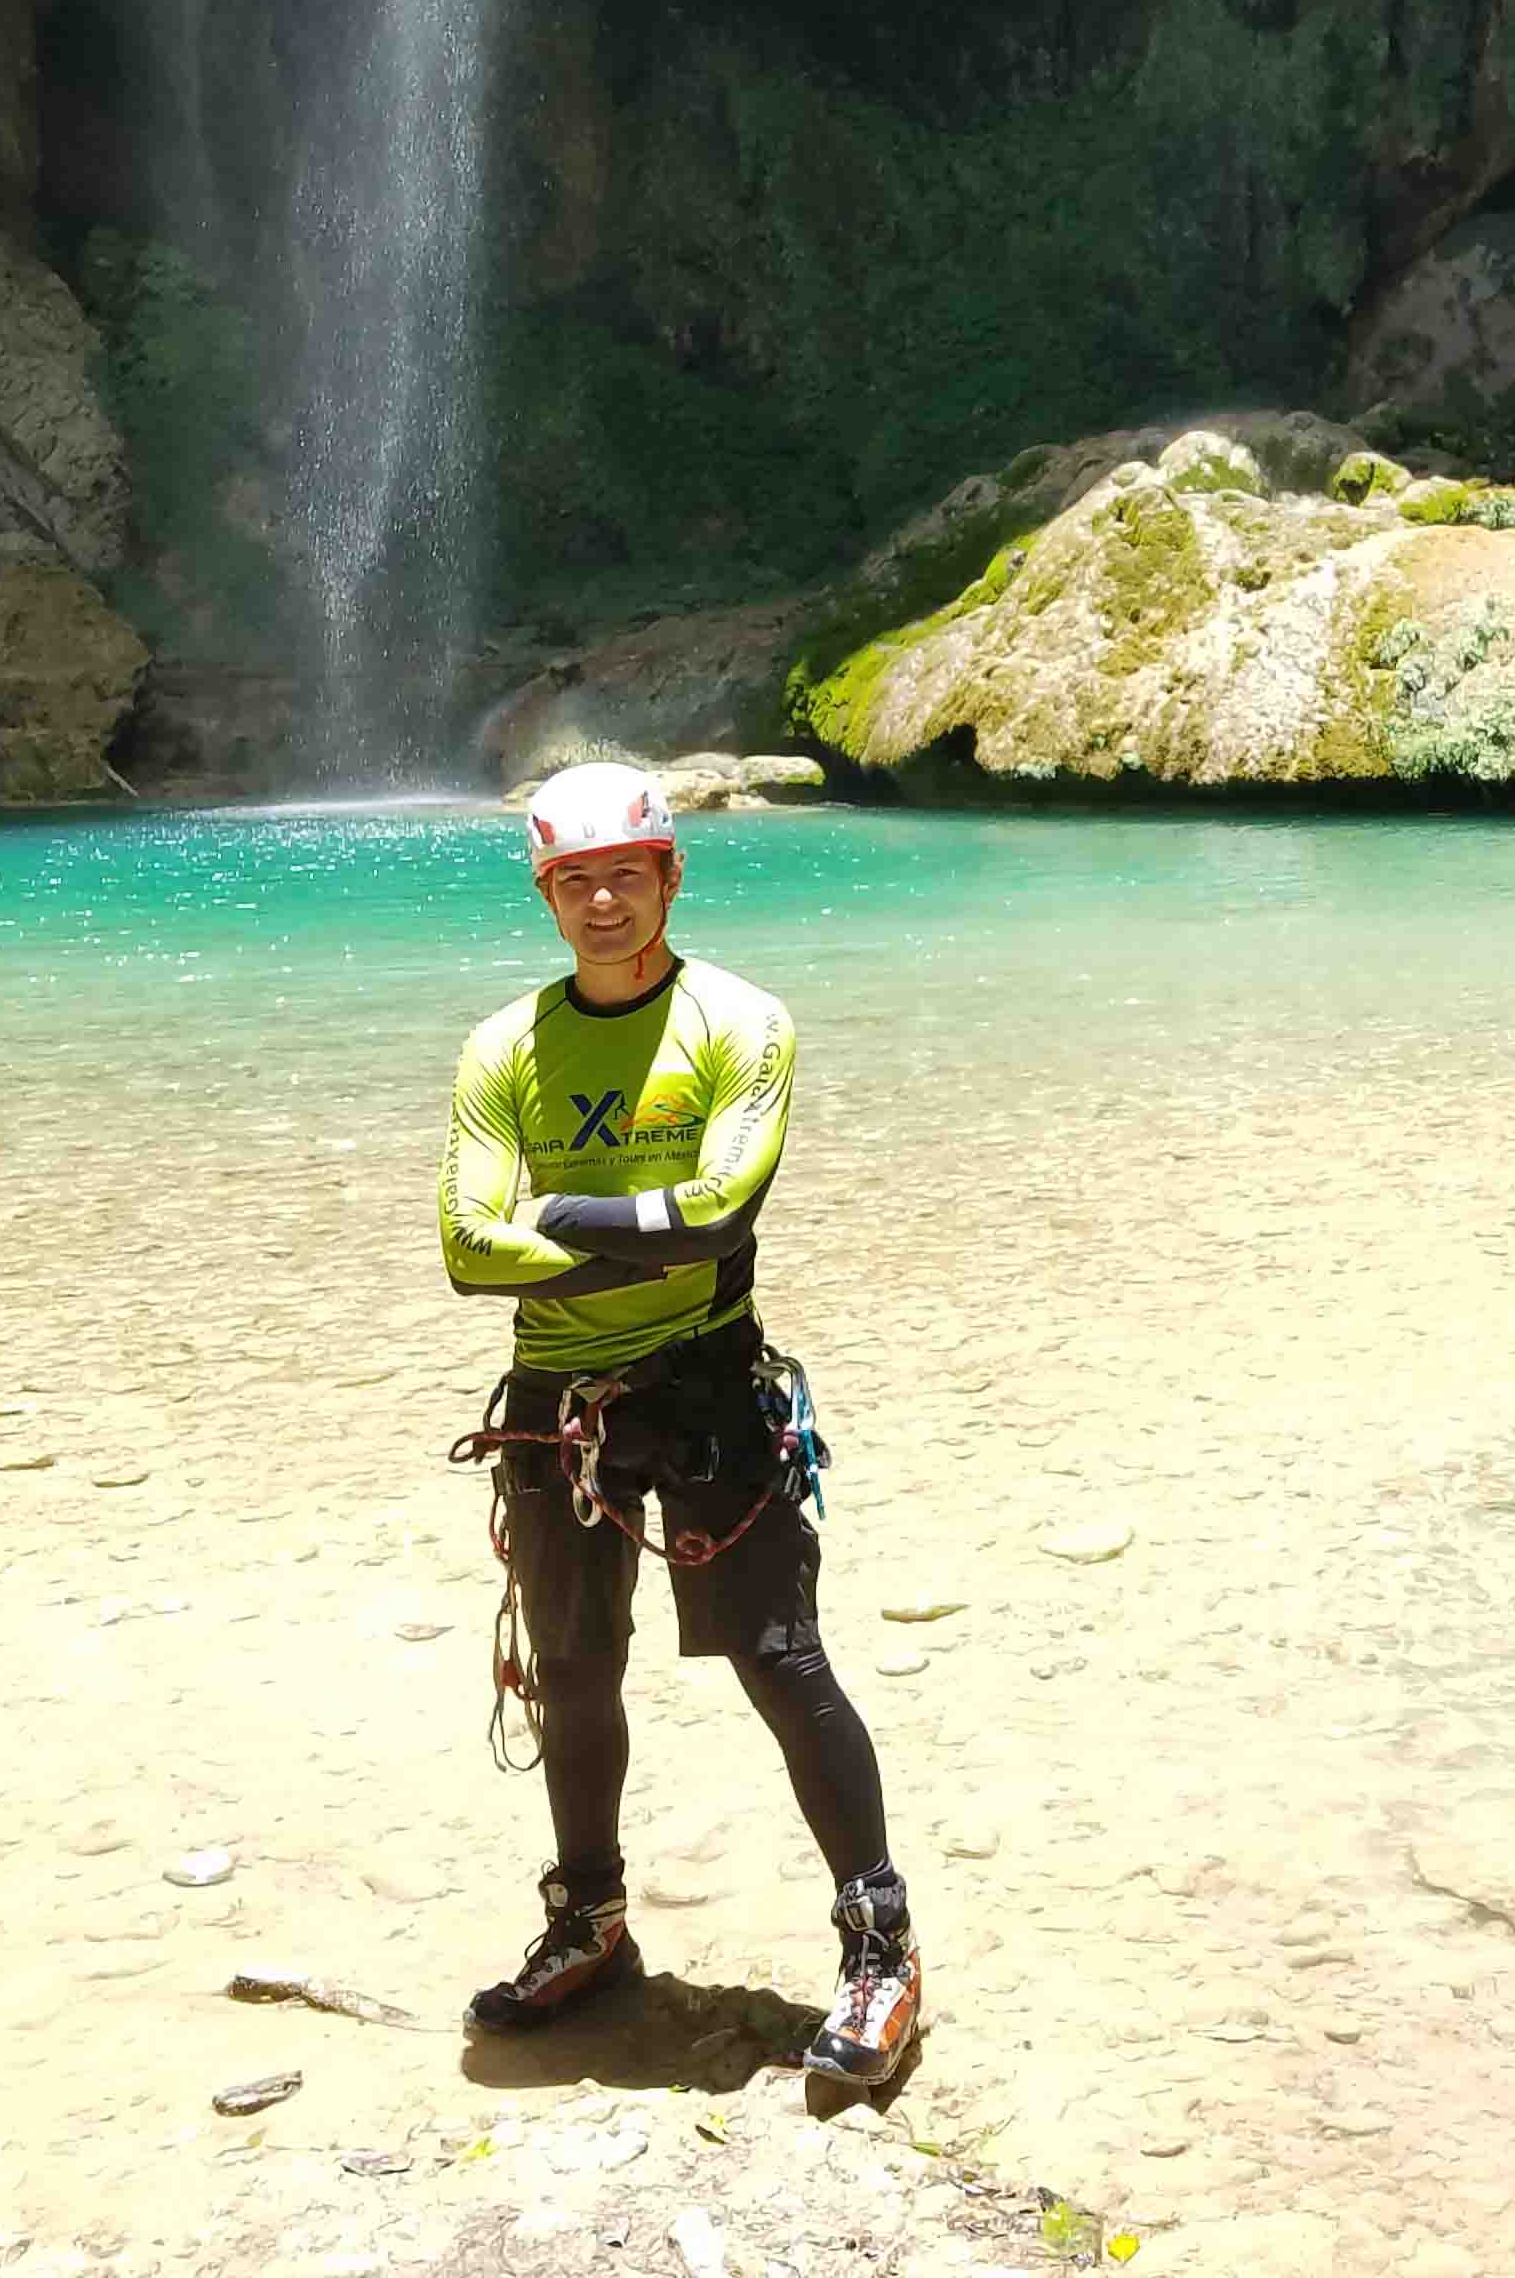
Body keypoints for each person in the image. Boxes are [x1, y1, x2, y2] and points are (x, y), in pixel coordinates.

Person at [436, 761, 921, 2088]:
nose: (602, 901)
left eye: (625, 876)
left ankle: (881, 1950)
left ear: (670, 877)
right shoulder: (502, 1047)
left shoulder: (740, 1021)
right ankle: (590, 1928)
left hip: (709, 1390)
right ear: (545, 891)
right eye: (574, 880)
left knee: (780, 1657)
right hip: (554, 1411)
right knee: (573, 1673)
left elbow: (720, 1225)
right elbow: (464, 1254)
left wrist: (557, 1225)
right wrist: (630, 1244)